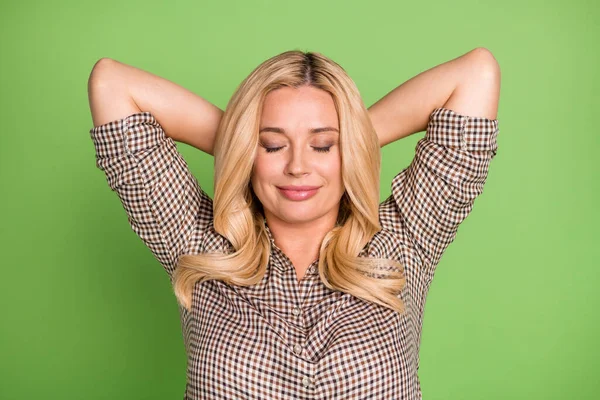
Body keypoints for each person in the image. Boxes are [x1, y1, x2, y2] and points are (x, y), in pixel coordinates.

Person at [87, 48, 500, 399]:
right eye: (272, 144)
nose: (298, 166)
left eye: (322, 145)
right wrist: (239, 144)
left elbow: (476, 74)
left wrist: (353, 141)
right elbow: (112, 85)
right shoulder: (195, 243)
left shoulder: (405, 239)